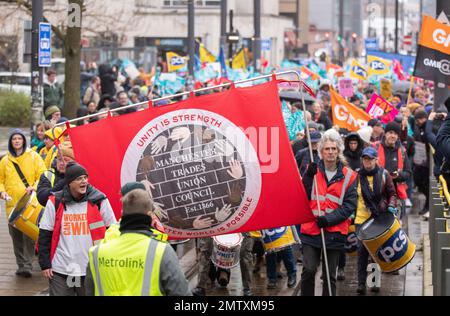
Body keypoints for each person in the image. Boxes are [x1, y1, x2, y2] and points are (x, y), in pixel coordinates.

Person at [85, 184, 191, 296]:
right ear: (149, 214)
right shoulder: (161, 251)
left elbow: (90, 291)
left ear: (122, 212)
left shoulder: (96, 253)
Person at [38, 162, 117, 296]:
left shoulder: (99, 200)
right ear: (69, 182)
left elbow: (113, 232)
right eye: (79, 179)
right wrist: (45, 264)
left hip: (91, 269)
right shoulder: (54, 202)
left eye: (85, 178)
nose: (84, 181)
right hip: (61, 269)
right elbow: (45, 234)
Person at [300, 130, 358, 296]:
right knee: (308, 270)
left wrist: (328, 220)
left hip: (334, 233)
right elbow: (303, 194)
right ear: (321, 152)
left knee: (329, 275)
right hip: (312, 230)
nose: (331, 152)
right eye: (327, 149)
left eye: (334, 148)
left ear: (338, 151)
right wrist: (307, 177)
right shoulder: (312, 170)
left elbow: (349, 206)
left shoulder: (350, 176)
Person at [0, 129, 46, 277]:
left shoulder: (33, 157)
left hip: (30, 203)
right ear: (11, 142)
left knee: (28, 235)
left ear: (24, 141)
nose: (17, 141)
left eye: (19, 138)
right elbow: (0, 180)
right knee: (16, 236)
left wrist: (35, 186)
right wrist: (2, 191)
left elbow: (43, 174)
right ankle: (21, 264)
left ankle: (27, 264)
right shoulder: (5, 160)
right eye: (14, 139)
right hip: (11, 205)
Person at [355, 147, 397, 295]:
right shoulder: (357, 176)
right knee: (362, 252)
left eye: (370, 159)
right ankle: (361, 283)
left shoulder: (384, 174)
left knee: (376, 252)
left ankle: (374, 281)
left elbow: (392, 193)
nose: (368, 162)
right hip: (361, 219)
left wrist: (391, 205)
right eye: (365, 159)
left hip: (378, 217)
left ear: (375, 160)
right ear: (362, 160)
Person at [373, 122, 411, 220]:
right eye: (390, 132)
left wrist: (398, 175)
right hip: (377, 194)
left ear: (398, 136)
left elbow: (408, 173)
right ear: (385, 133)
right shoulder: (375, 148)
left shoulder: (402, 151)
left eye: (395, 133)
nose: (392, 136)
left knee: (396, 224)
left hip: (397, 195)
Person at [36, 141, 75, 207]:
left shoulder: (81, 175)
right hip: (53, 215)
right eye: (60, 159)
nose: (62, 163)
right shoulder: (47, 174)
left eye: (66, 160)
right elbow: (42, 199)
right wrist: (65, 181)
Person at [412, 110, 431, 215]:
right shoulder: (418, 128)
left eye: (419, 119)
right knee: (418, 181)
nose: (418, 121)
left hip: (428, 162)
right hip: (419, 161)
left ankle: (428, 206)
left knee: (427, 185)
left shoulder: (428, 127)